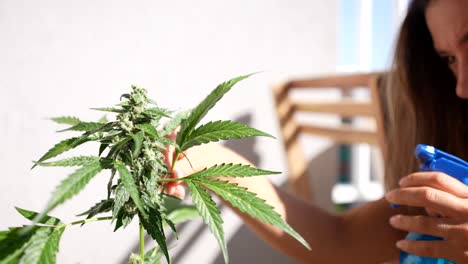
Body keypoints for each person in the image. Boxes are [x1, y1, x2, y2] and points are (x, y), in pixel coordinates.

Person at [165, 0, 468, 263]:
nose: (461, 87)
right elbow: (339, 240)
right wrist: (210, 159)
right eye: (450, 60)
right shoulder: (452, 174)